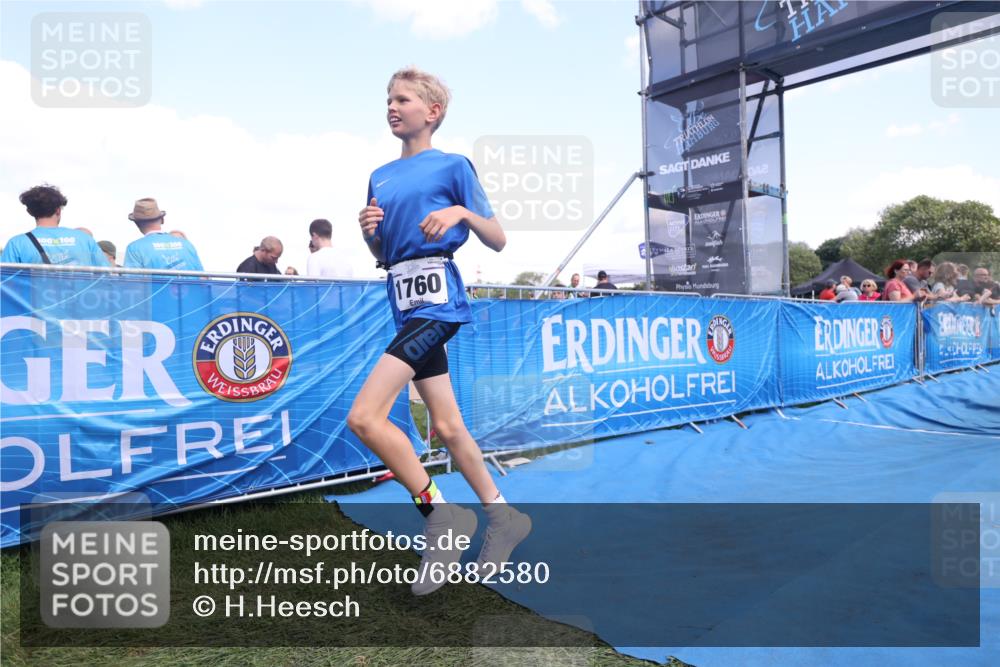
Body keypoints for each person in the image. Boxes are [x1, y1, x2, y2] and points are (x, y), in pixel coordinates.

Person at [351, 67, 529, 596]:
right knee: (448, 427)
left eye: (401, 99)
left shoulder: (454, 165)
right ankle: (503, 518)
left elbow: (497, 238)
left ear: (431, 112)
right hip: (403, 303)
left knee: (364, 417)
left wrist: (459, 212)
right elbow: (386, 256)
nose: (391, 106)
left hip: (439, 304)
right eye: (387, 99)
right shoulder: (379, 175)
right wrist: (369, 237)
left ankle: (440, 515)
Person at [2, 185, 108, 267]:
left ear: (30, 212)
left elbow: (4, 282)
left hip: (35, 296)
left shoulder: (17, 243)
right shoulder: (84, 238)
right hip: (83, 296)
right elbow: (107, 276)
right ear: (58, 210)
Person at [123, 198, 204, 271]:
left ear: (136, 224)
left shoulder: (134, 249)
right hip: (191, 288)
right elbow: (204, 279)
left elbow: (132, 285)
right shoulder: (186, 244)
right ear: (162, 219)